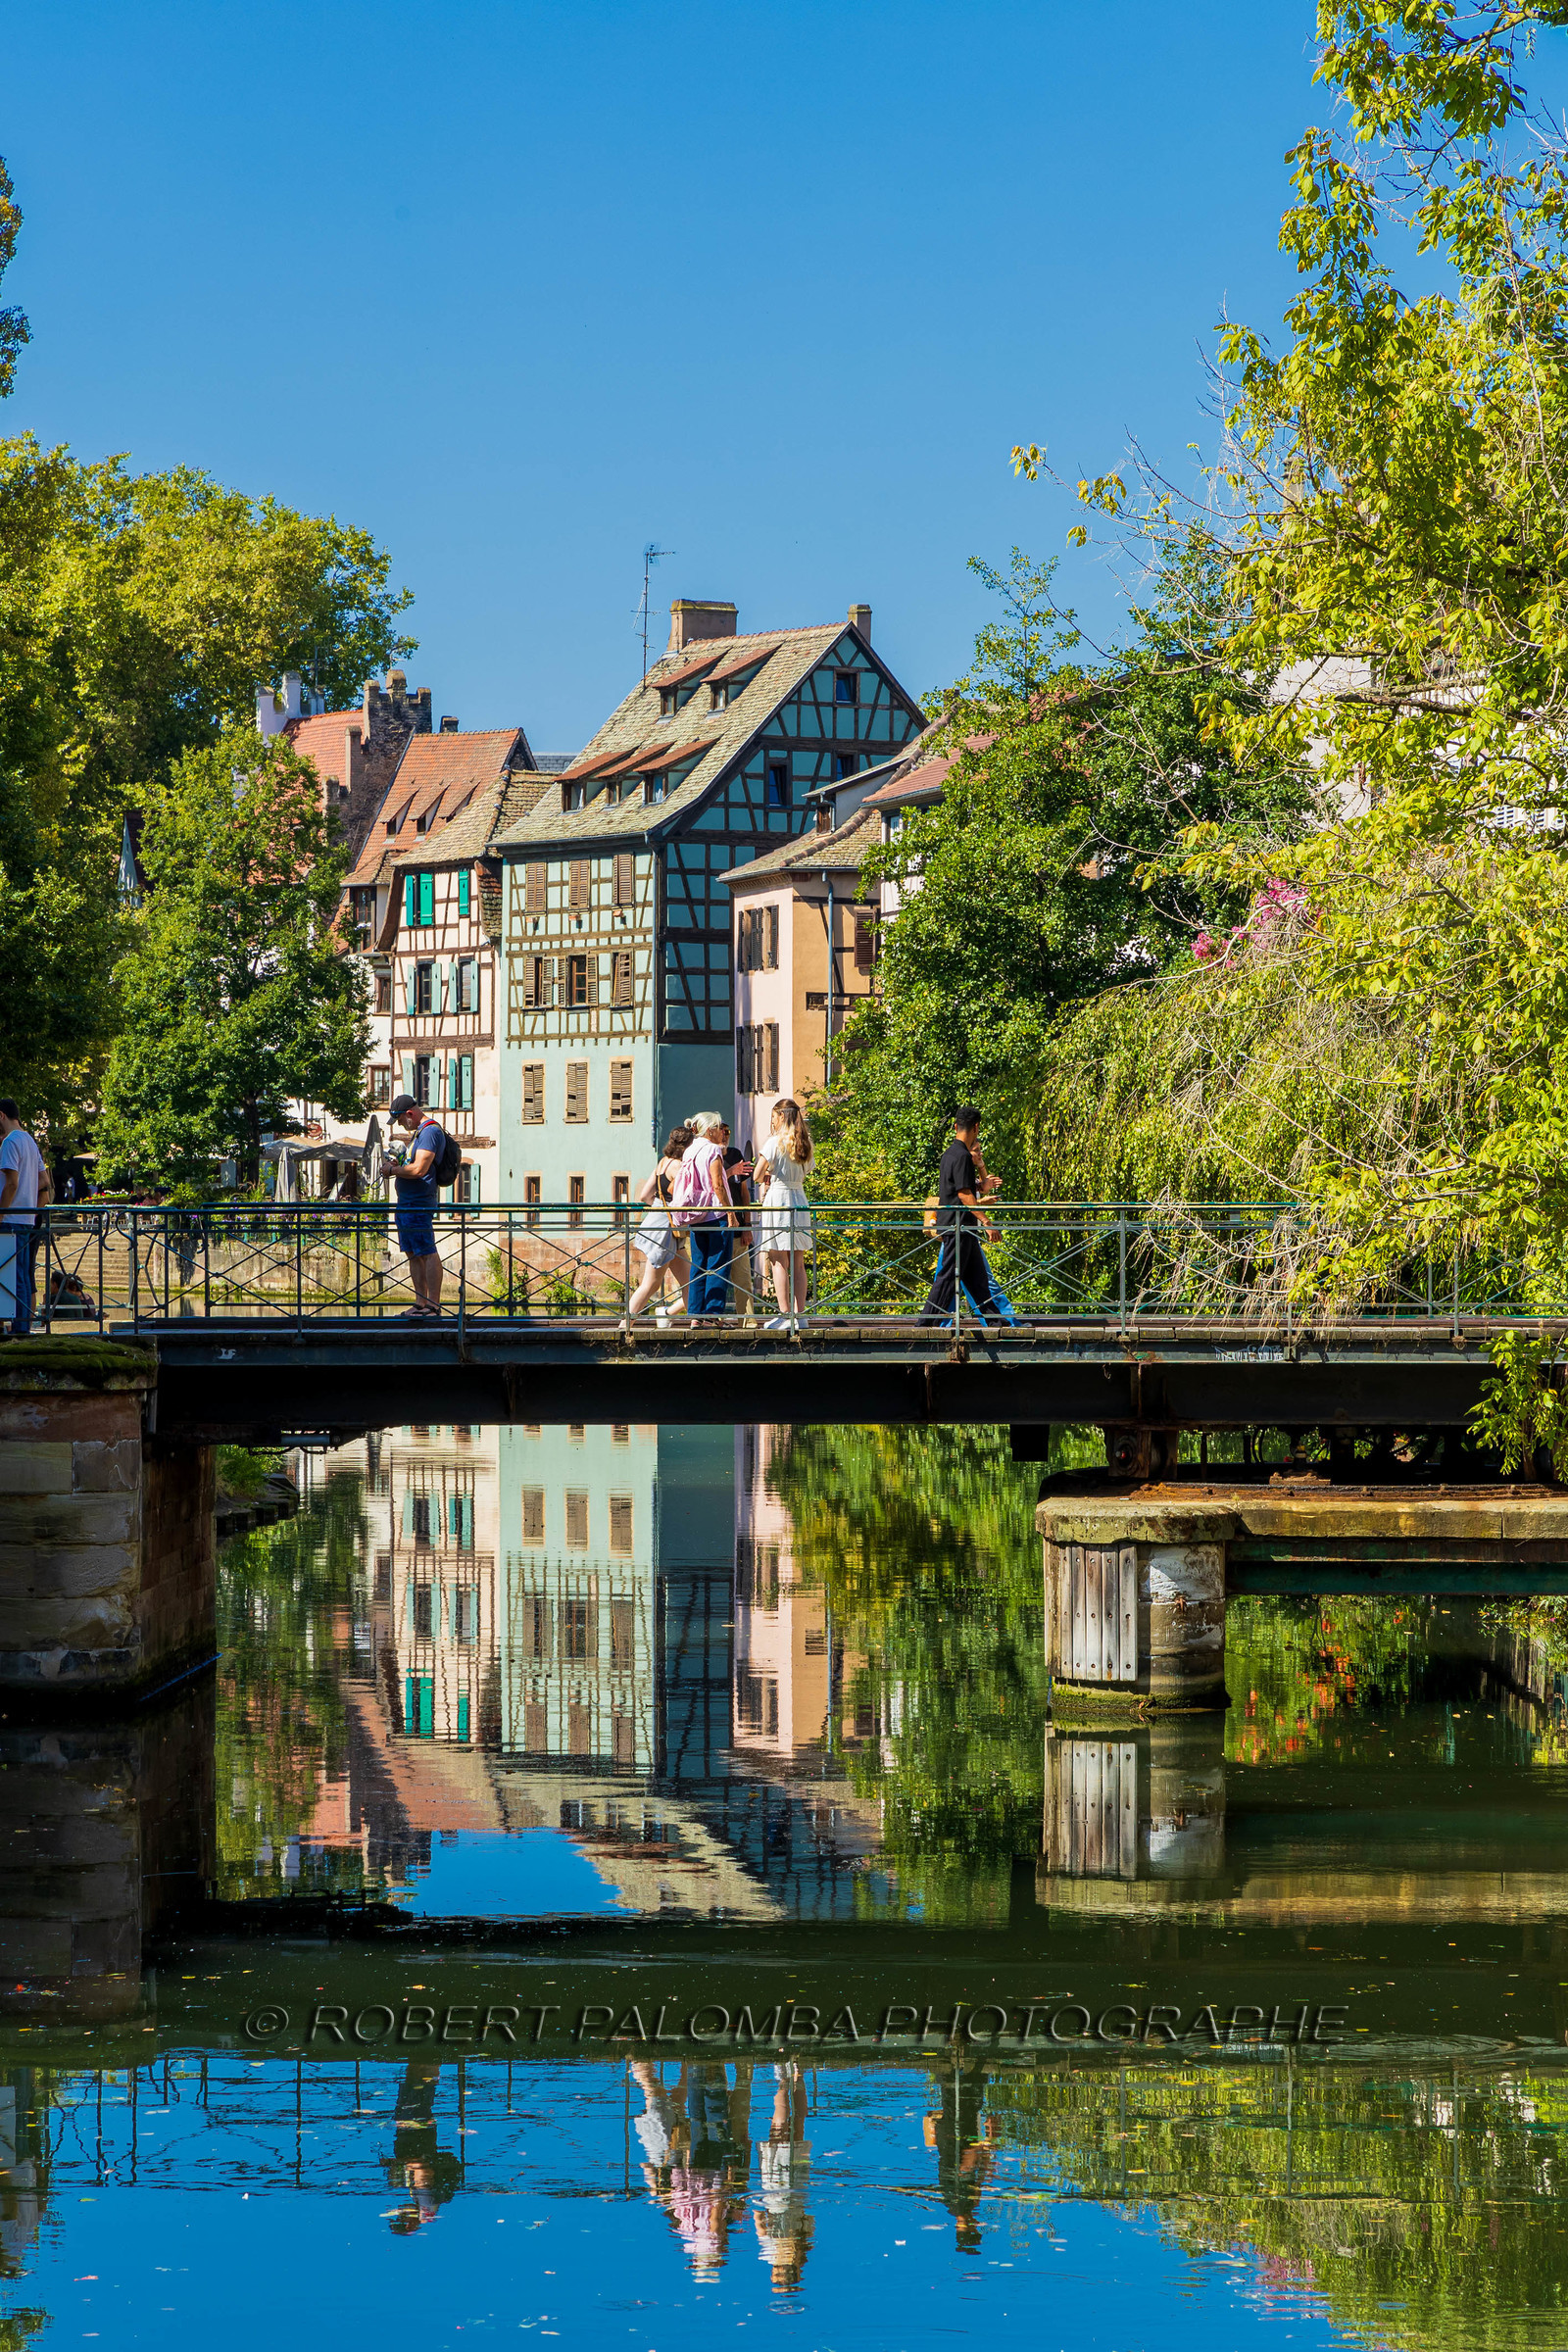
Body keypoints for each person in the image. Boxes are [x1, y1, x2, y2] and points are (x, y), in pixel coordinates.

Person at [921, 1105, 1001, 1325]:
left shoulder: (949, 1154)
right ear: (976, 1128)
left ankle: (996, 1322)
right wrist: (985, 1221)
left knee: (978, 1280)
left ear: (956, 1126)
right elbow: (965, 1194)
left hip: (958, 1226)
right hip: (959, 1226)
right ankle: (924, 1325)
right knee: (947, 1278)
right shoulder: (964, 1156)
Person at [752, 1099, 813, 1329]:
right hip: (799, 1198)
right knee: (798, 1261)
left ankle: (785, 1314)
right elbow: (805, 1173)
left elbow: (757, 1175)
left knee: (778, 1259)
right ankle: (801, 1315)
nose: (773, 1120)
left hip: (778, 1198)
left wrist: (768, 1173)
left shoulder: (774, 1142)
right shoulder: (805, 1142)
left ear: (780, 1116)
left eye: (774, 1116)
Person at [386, 1093, 448, 1318]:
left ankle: (433, 1305)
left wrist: (392, 1171)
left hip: (419, 1205)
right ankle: (421, 1303)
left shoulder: (430, 1132)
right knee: (413, 1253)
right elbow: (411, 1164)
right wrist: (398, 1163)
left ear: (410, 1114)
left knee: (427, 1252)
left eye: (401, 1120)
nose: (401, 1125)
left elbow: (419, 1169)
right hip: (407, 1204)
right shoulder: (418, 1134)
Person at [626, 1125, 695, 1320]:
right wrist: (670, 1213)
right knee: (651, 1284)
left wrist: (659, 1208)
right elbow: (684, 1197)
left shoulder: (662, 1163)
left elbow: (644, 1195)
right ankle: (625, 1324)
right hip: (666, 1230)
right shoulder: (679, 1167)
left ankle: (696, 1321)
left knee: (690, 1281)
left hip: (662, 1226)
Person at [677, 1113, 736, 1322]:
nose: (723, 1132)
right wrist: (731, 1212)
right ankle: (713, 1314)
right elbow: (717, 1184)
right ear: (710, 1130)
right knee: (718, 1265)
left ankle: (694, 1315)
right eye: (720, 1128)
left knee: (699, 1265)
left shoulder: (689, 1151)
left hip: (696, 1213)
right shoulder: (712, 1149)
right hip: (715, 1213)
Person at [0, 1100, 51, 1338]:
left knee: (11, 1274)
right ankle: (21, 1325)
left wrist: (1, 1214)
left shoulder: (9, 1142)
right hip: (27, 1219)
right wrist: (32, 1207)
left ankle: (17, 1327)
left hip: (10, 1217)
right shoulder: (30, 1140)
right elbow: (44, 1182)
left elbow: (11, 1183)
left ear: (1, 1116)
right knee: (21, 1273)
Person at [719, 1122, 758, 1324]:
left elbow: (744, 1193)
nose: (725, 1136)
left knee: (743, 1280)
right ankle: (712, 1320)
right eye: (722, 1132)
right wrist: (730, 1171)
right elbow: (710, 1184)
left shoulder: (735, 1154)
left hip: (738, 1230)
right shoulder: (709, 1157)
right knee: (715, 1279)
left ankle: (748, 1323)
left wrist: (747, 1226)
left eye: (728, 1132)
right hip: (715, 1229)